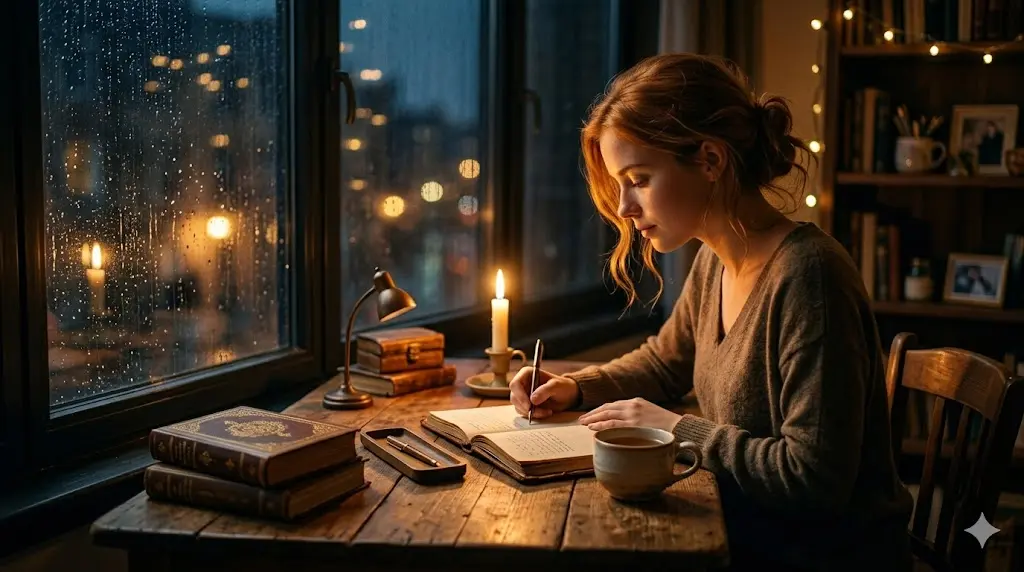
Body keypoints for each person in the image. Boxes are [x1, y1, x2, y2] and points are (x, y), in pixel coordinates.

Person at [509, 53, 914, 571]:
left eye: (639, 177)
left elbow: (813, 481)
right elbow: (662, 364)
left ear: (710, 160)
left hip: (820, 555)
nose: (626, 208)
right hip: (744, 529)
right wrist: (576, 386)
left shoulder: (810, 276)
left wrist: (678, 429)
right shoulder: (714, 261)